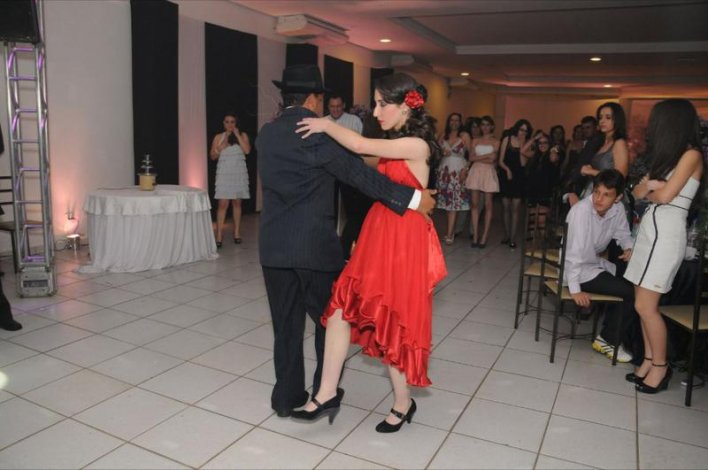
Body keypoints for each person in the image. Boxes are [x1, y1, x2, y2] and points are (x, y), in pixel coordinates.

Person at [256, 65, 436, 418]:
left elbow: (363, 157)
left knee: (286, 326)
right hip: (313, 246)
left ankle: (286, 398)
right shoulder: (317, 134)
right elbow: (358, 175)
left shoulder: (266, 133)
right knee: (329, 318)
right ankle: (325, 391)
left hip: (273, 244)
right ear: (313, 99)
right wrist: (415, 199)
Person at [624, 98, 704, 394]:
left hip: (666, 235)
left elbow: (666, 196)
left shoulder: (692, 155)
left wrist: (654, 188)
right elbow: (637, 192)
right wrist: (652, 188)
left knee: (646, 306)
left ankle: (661, 366)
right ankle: (648, 360)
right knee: (641, 304)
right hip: (650, 231)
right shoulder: (670, 157)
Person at [564, 169, 638, 362]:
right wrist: (575, 290)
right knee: (631, 293)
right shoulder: (581, 211)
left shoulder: (617, 209)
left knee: (632, 284)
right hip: (575, 269)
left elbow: (623, 234)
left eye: (606, 195)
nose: (598, 199)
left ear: (618, 197)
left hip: (593, 263)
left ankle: (617, 335)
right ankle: (608, 339)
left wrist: (628, 247)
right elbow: (573, 254)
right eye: (596, 192)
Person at [209, 112, 250, 246]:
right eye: (227, 122)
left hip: (238, 172)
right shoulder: (218, 137)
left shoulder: (242, 135)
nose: (230, 124)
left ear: (236, 123)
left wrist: (237, 135)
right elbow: (212, 156)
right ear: (223, 123)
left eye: (232, 122)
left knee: (237, 203)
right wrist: (221, 146)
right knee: (222, 204)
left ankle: (237, 233)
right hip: (224, 173)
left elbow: (247, 151)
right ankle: (219, 235)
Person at [465, 115, 499, 248]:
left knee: (488, 204)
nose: (485, 127)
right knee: (474, 204)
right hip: (476, 171)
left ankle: (484, 236)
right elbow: (471, 158)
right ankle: (475, 235)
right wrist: (487, 156)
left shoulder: (496, 141)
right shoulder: (475, 140)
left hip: (488, 172)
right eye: (483, 125)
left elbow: (493, 160)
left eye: (487, 125)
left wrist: (479, 157)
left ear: (492, 126)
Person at [436, 112, 470, 245]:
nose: (454, 123)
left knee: (453, 204)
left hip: (458, 171)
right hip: (444, 171)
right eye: (452, 120)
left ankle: (450, 234)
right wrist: (441, 152)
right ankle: (450, 231)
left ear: (460, 122)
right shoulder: (443, 135)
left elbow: (471, 155)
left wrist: (466, 170)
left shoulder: (464, 136)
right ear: (448, 122)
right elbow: (435, 151)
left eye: (457, 120)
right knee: (446, 204)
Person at [499, 119, 533, 248]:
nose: (523, 132)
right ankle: (506, 235)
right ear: (516, 128)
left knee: (515, 208)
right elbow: (500, 160)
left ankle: (512, 238)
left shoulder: (527, 144)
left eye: (526, 131)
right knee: (506, 208)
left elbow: (523, 163)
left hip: (519, 177)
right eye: (521, 129)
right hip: (506, 175)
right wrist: (507, 170)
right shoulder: (507, 139)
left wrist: (523, 144)